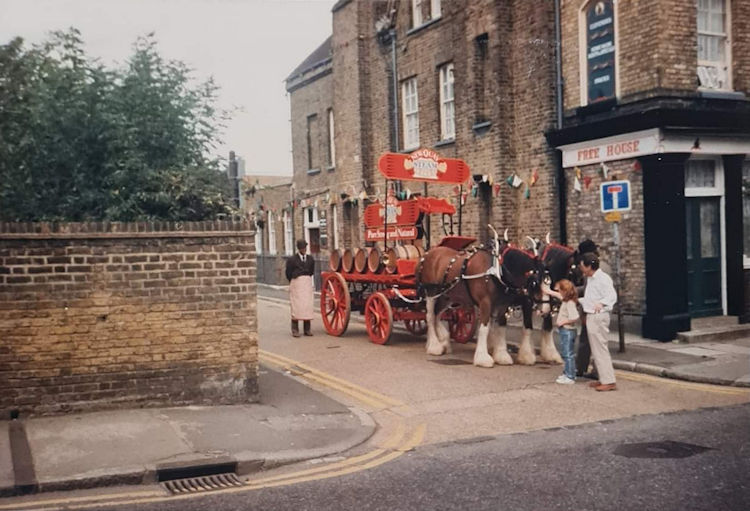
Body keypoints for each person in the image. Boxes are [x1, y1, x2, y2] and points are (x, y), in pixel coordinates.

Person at [579, 252, 618, 391]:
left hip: (598, 317)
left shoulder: (603, 278)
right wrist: (577, 300)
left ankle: (609, 381)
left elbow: (612, 296)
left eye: (582, 265)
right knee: (596, 349)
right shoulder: (591, 279)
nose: (580, 267)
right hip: (592, 315)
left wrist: (602, 303)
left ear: (589, 266)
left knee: (600, 349)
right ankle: (603, 378)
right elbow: (590, 299)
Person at [574, 239, 612, 379]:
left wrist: (572, 292)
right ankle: (596, 371)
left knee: (587, 341)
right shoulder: (605, 266)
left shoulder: (591, 269)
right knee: (600, 341)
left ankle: (582, 369)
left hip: (594, 311)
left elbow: (588, 292)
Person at [544, 279, 580, 385]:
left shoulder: (569, 303)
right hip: (565, 330)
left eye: (560, 290)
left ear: (565, 291)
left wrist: (563, 322)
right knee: (566, 354)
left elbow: (575, 317)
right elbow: (555, 294)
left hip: (567, 331)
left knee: (568, 354)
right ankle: (567, 373)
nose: (558, 292)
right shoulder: (566, 299)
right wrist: (546, 291)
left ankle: (570, 376)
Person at [285, 239, 315, 337]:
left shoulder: (310, 259)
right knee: (296, 306)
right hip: (296, 283)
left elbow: (311, 271)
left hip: (306, 283)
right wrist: (294, 280)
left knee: (307, 306)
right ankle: (295, 330)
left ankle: (307, 329)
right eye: (302, 248)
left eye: (305, 247)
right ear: (299, 249)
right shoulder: (292, 260)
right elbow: (288, 273)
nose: (304, 249)